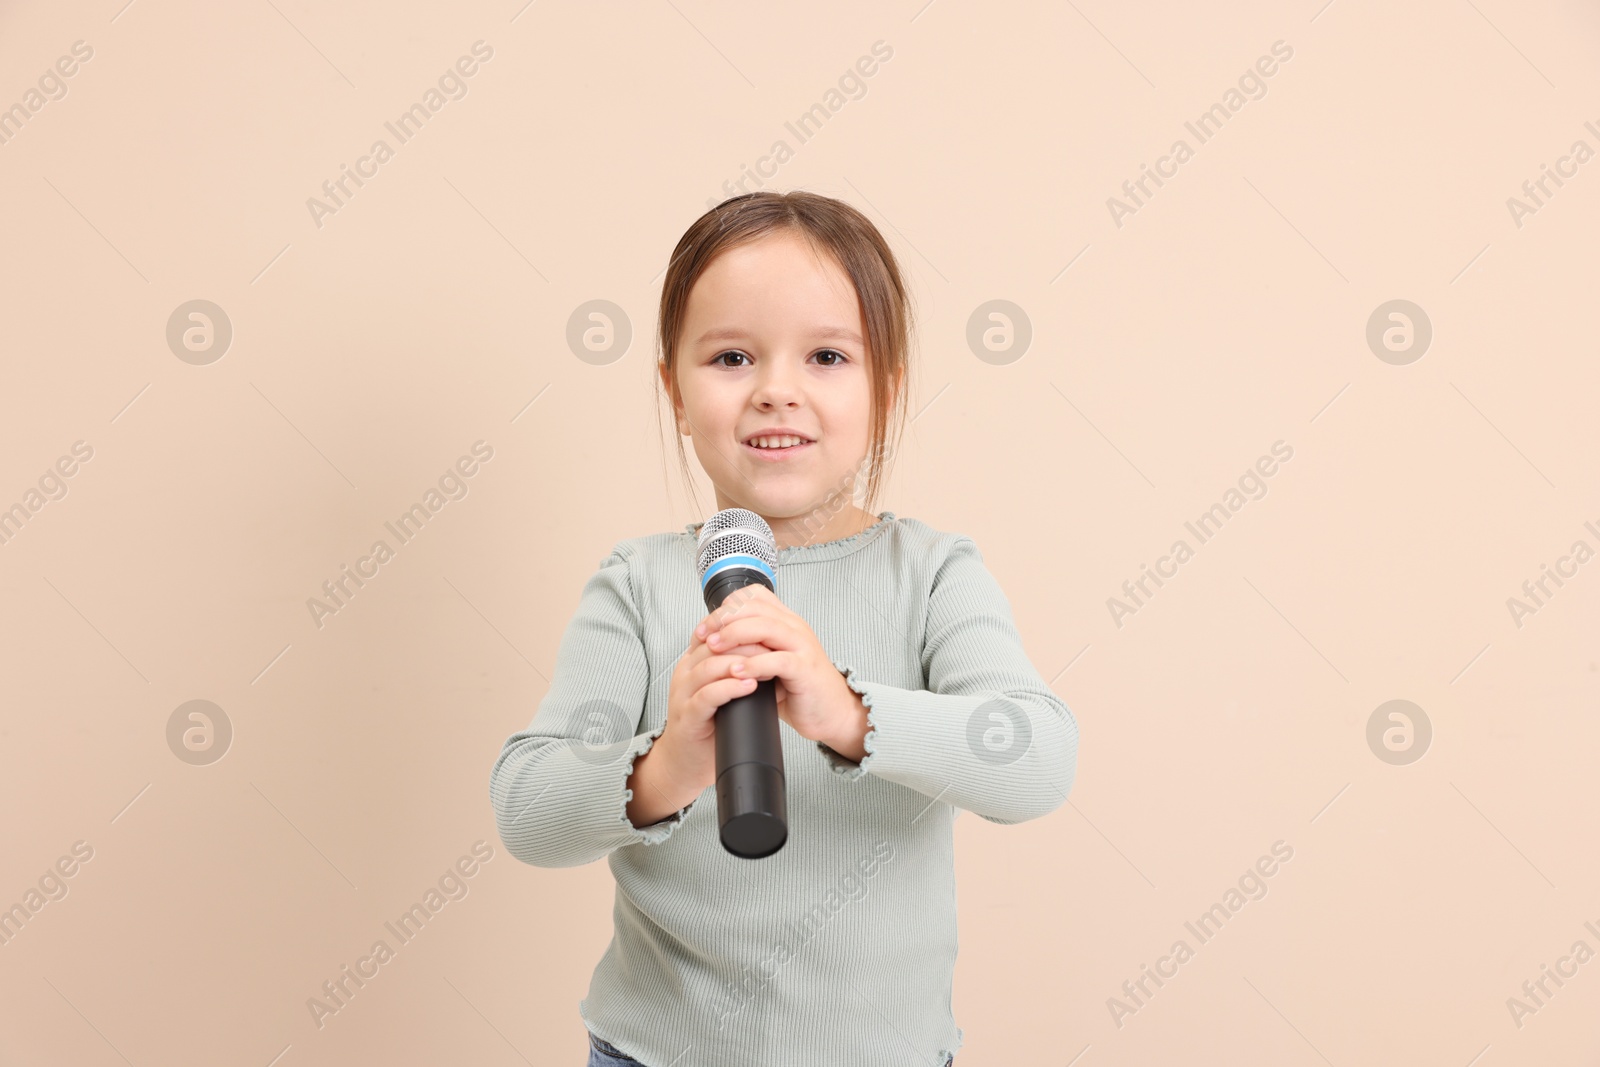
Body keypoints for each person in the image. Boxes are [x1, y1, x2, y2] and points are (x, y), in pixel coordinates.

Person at [488, 190, 1079, 1067]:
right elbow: (528, 811)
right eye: (731, 356)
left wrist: (850, 714)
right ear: (674, 393)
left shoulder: (931, 572)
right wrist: (666, 766)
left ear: (886, 390)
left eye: (827, 355)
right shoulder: (639, 581)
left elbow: (1035, 760)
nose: (776, 392)